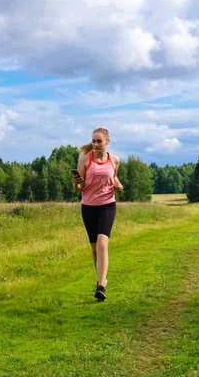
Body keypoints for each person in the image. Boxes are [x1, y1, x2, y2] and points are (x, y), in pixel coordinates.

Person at [73, 127, 123, 301]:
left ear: (107, 141)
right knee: (94, 248)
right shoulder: (85, 160)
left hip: (107, 205)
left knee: (102, 243)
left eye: (99, 141)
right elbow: (79, 187)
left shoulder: (114, 160)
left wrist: (118, 185)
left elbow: (113, 177)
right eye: (93, 141)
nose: (95, 144)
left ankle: (101, 286)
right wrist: (77, 184)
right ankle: (100, 280)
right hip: (88, 207)